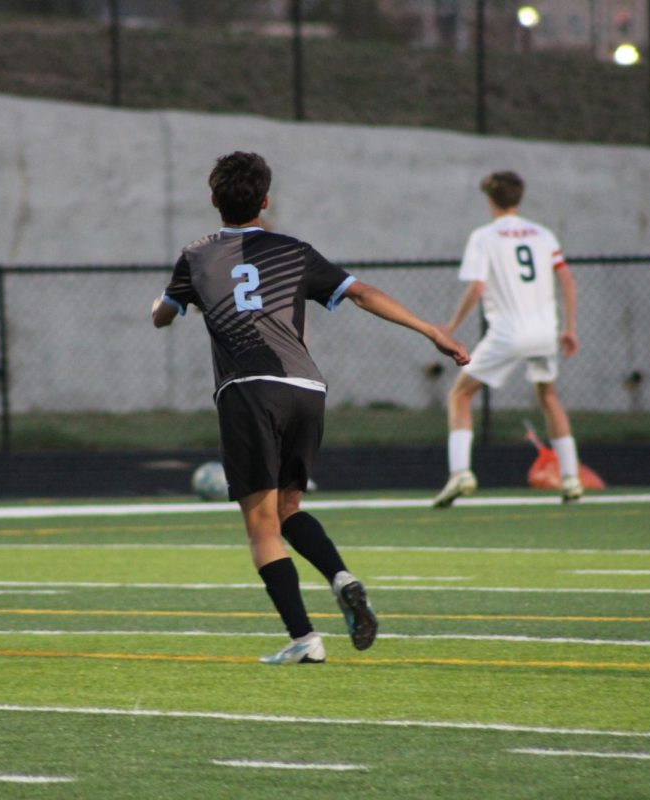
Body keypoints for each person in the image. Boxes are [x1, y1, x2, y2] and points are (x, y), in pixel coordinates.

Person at [152, 151, 470, 664]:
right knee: (288, 508)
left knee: (261, 526)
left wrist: (166, 304)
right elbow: (362, 292)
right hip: (306, 387)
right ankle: (341, 577)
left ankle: (304, 638)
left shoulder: (197, 255)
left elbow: (162, 316)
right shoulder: (294, 251)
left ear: (213, 199)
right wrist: (433, 331)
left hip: (249, 389)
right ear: (266, 200)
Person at [432, 170, 583, 507]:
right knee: (549, 396)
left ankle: (460, 473)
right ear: (519, 197)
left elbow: (477, 286)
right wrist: (569, 328)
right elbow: (567, 280)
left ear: (489, 199)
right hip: (545, 331)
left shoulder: (485, 237)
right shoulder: (543, 235)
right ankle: (571, 477)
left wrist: (451, 326)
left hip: (509, 332)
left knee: (459, 395)